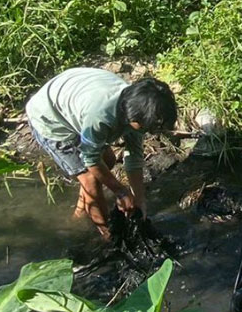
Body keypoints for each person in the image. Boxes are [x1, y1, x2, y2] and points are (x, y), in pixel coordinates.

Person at [25, 68, 177, 238]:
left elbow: (134, 157)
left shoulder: (140, 106)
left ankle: (80, 214)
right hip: (50, 119)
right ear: (132, 118)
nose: (148, 132)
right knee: (90, 180)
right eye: (146, 127)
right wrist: (121, 191)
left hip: (75, 102)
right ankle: (106, 235)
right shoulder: (101, 116)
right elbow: (90, 160)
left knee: (109, 161)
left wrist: (139, 201)